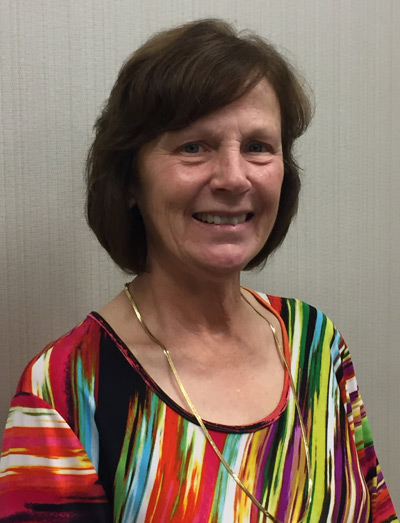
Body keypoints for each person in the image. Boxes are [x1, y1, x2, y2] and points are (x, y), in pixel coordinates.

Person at [0, 18, 397, 523]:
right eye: (193, 146)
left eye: (258, 146)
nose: (234, 178)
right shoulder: (66, 390)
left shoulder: (316, 342)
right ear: (130, 180)